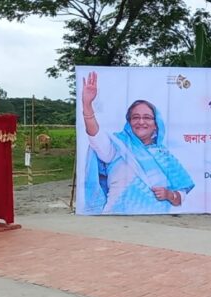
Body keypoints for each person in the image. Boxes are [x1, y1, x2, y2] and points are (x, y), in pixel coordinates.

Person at [81, 71, 194, 214]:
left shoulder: (164, 156)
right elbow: (95, 136)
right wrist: (87, 105)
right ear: (129, 122)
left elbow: (180, 195)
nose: (141, 122)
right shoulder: (118, 146)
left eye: (147, 117)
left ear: (156, 124)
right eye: (135, 117)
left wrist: (169, 194)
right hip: (116, 219)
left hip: (158, 224)